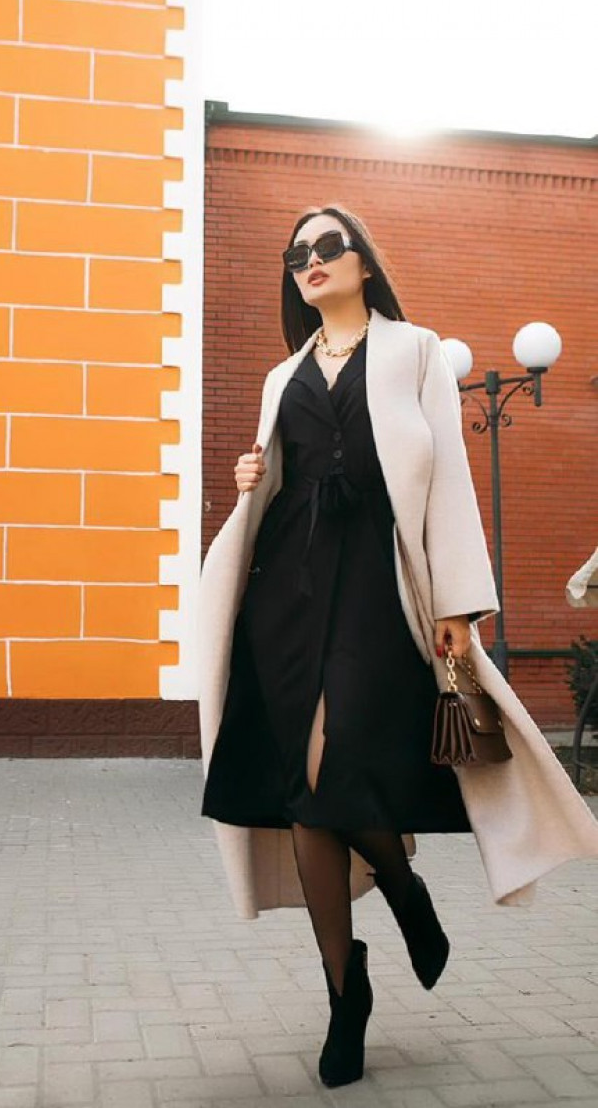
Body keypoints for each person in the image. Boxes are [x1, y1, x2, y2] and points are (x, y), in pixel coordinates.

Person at [197, 204, 598, 1088]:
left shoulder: (415, 351)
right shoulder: (282, 374)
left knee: (335, 762)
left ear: (363, 263)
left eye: (327, 246)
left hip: (379, 581)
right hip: (287, 588)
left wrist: (459, 602)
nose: (311, 260)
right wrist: (249, 475)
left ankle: (403, 891)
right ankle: (348, 992)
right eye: (297, 253)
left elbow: (447, 475)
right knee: (306, 794)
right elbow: (276, 471)